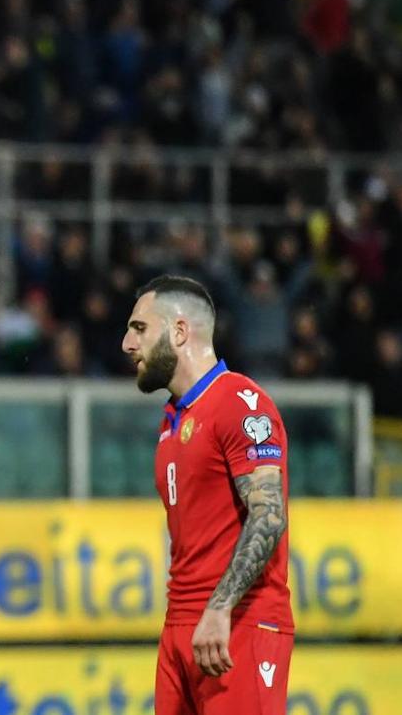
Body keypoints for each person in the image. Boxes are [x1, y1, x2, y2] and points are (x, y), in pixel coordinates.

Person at [121, 275, 294, 714]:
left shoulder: (240, 403)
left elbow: (269, 516)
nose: (127, 343)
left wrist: (219, 609)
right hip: (181, 626)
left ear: (179, 332)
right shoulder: (171, 420)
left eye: (139, 328)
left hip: (237, 624)